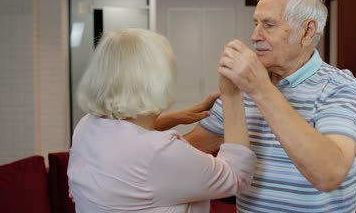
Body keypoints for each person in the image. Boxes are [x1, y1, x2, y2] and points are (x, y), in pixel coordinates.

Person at [184, 0, 356, 213]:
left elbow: (329, 174)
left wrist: (261, 89)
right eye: (256, 23)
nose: (254, 36)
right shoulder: (244, 84)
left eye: (268, 25)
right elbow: (192, 148)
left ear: (307, 32)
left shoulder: (340, 86)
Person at [67, 28, 257, 213]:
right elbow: (236, 176)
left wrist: (175, 117)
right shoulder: (156, 153)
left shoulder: (86, 126)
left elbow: (123, 138)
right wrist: (231, 95)